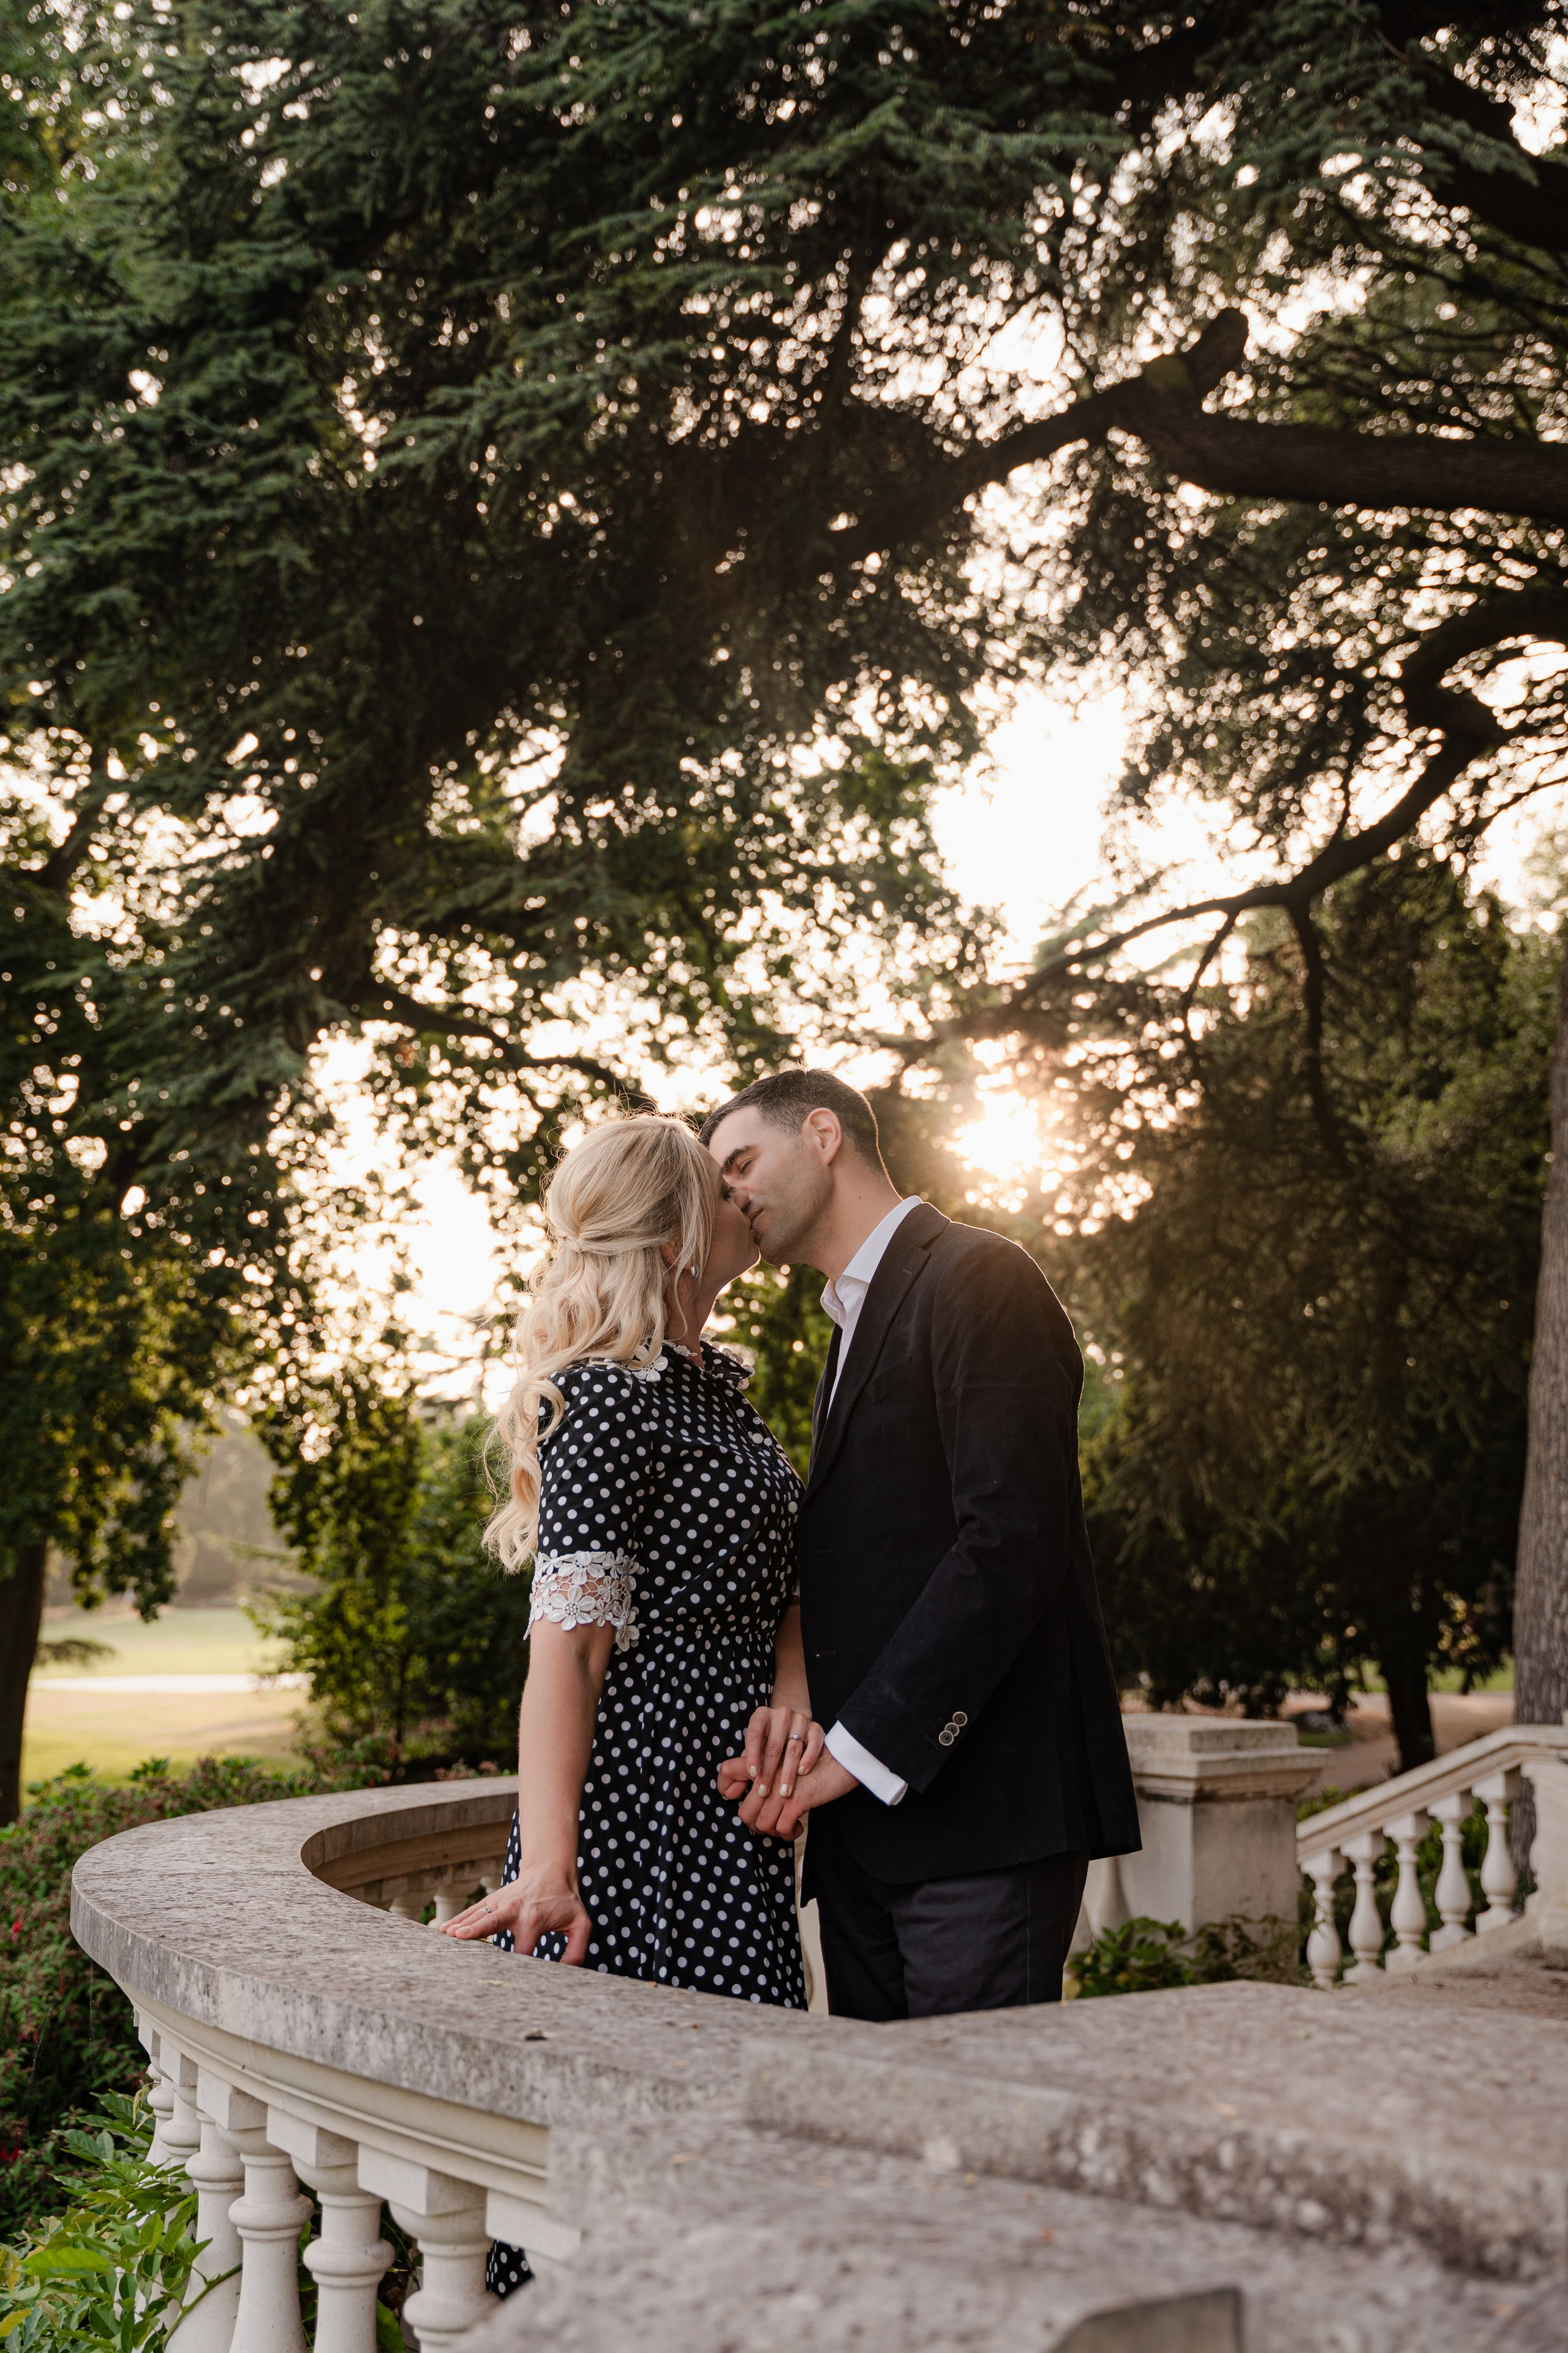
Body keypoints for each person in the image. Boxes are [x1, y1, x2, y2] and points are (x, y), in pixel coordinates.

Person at [439, 1114, 814, 2297]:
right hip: (640, 1822)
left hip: (733, 1813)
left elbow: (788, 1585)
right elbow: (568, 1650)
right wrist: (549, 1868)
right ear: (676, 1228)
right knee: (626, 2171)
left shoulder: (719, 1388)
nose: (746, 1195)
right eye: (722, 1181)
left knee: (738, 2151)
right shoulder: (604, 1397)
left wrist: (794, 1698)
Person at [704, 1069, 1139, 2023]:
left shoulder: (982, 1275)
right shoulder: (848, 1322)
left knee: (972, 2142)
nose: (732, 1195)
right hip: (863, 1838)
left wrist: (858, 1753)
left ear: (823, 1133)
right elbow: (874, 1556)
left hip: (982, 1819)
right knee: (882, 2150)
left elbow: (1011, 1541)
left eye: (741, 1162)